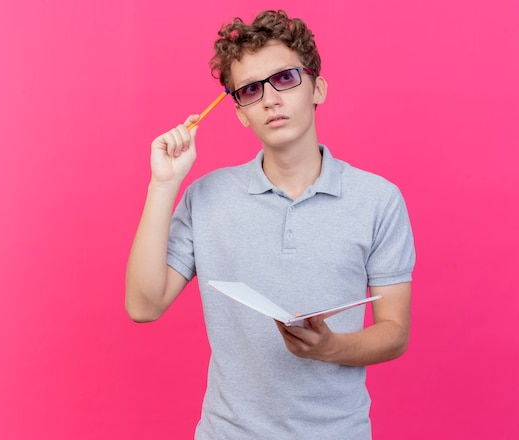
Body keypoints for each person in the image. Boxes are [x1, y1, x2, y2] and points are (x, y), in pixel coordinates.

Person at [125, 9, 415, 439]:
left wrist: (331, 347)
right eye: (250, 90)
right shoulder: (207, 197)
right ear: (240, 112)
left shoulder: (378, 199)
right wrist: (163, 185)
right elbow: (143, 306)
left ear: (317, 88)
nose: (269, 100)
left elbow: (394, 333)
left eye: (284, 79)